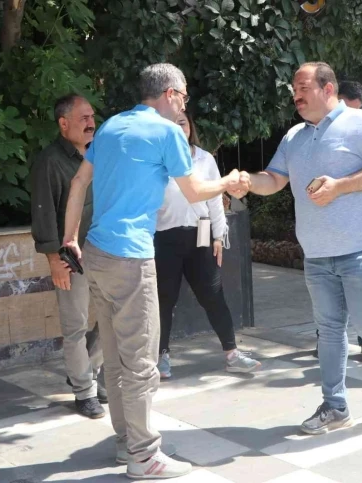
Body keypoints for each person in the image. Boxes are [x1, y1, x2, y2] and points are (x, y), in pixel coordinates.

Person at [62, 63, 244, 479]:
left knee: (114, 359)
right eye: (184, 96)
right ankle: (144, 457)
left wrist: (70, 238)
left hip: (96, 253)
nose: (183, 106)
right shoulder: (166, 133)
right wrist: (228, 182)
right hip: (131, 258)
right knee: (141, 363)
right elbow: (195, 191)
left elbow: (78, 183)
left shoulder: (110, 127)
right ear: (170, 94)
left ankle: (127, 443)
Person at [231, 62, 362, 433]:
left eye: (303, 88)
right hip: (316, 253)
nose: (296, 96)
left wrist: (340, 186)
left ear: (328, 88)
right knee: (328, 331)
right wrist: (249, 182)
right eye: (294, 90)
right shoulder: (294, 136)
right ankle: (335, 406)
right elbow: (274, 179)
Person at [154, 111, 261, 378]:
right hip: (164, 237)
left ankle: (232, 354)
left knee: (213, 296)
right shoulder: (156, 159)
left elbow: (215, 198)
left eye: (182, 122)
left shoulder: (204, 159)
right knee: (163, 300)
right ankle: (160, 355)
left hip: (200, 235)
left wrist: (218, 236)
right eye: (171, 124)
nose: (178, 127)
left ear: (191, 126)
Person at [30, 94, 105, 419]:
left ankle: (87, 371)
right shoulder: (50, 161)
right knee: (75, 327)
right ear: (64, 123)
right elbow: (44, 213)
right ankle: (84, 391)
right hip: (71, 257)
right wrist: (54, 260)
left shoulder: (99, 153)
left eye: (92, 117)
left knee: (113, 318)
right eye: (83, 118)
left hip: (106, 250)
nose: (91, 123)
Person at [312, 79, 362, 365]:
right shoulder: (316, 136)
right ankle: (326, 342)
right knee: (328, 311)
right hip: (324, 237)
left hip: (360, 235)